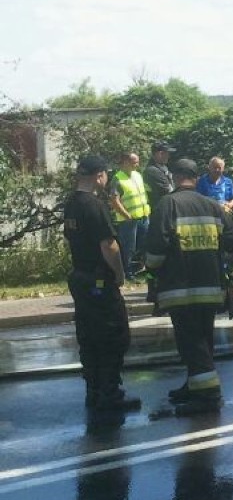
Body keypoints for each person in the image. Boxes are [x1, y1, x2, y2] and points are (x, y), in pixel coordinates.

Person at [145, 158, 233, 415]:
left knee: (190, 343)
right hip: (210, 288)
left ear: (175, 178)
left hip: (180, 289)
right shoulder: (212, 206)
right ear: (196, 179)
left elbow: (155, 249)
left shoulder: (167, 205)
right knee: (204, 339)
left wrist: (153, 270)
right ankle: (193, 386)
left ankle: (208, 396)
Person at [63, 154, 141, 413]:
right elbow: (109, 245)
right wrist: (119, 274)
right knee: (113, 335)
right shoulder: (94, 206)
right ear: (99, 176)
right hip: (99, 279)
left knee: (89, 335)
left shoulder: (72, 204)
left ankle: (94, 390)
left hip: (80, 277)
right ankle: (110, 394)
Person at [108, 152, 150, 280]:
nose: (137, 165)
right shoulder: (118, 178)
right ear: (125, 162)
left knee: (144, 245)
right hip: (128, 220)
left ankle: (140, 269)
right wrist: (126, 215)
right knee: (129, 247)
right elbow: (114, 200)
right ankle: (128, 273)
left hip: (143, 216)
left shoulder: (137, 175)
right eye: (134, 162)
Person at [143, 141, 176, 210]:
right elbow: (169, 191)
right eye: (167, 153)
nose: (168, 156)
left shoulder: (162, 168)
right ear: (160, 154)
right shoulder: (152, 171)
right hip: (160, 210)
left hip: (166, 208)